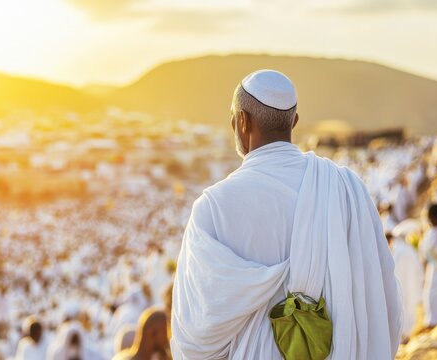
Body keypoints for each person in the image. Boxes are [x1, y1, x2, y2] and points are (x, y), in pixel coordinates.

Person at [170, 70, 402, 359]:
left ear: (241, 122)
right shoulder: (346, 188)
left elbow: (194, 336)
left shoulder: (213, 207)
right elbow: (384, 295)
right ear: (294, 121)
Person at [389, 222, 424, 341]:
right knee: (408, 309)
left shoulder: (395, 250)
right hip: (410, 285)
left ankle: (402, 334)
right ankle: (405, 335)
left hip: (399, 285)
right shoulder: (408, 250)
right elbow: (418, 270)